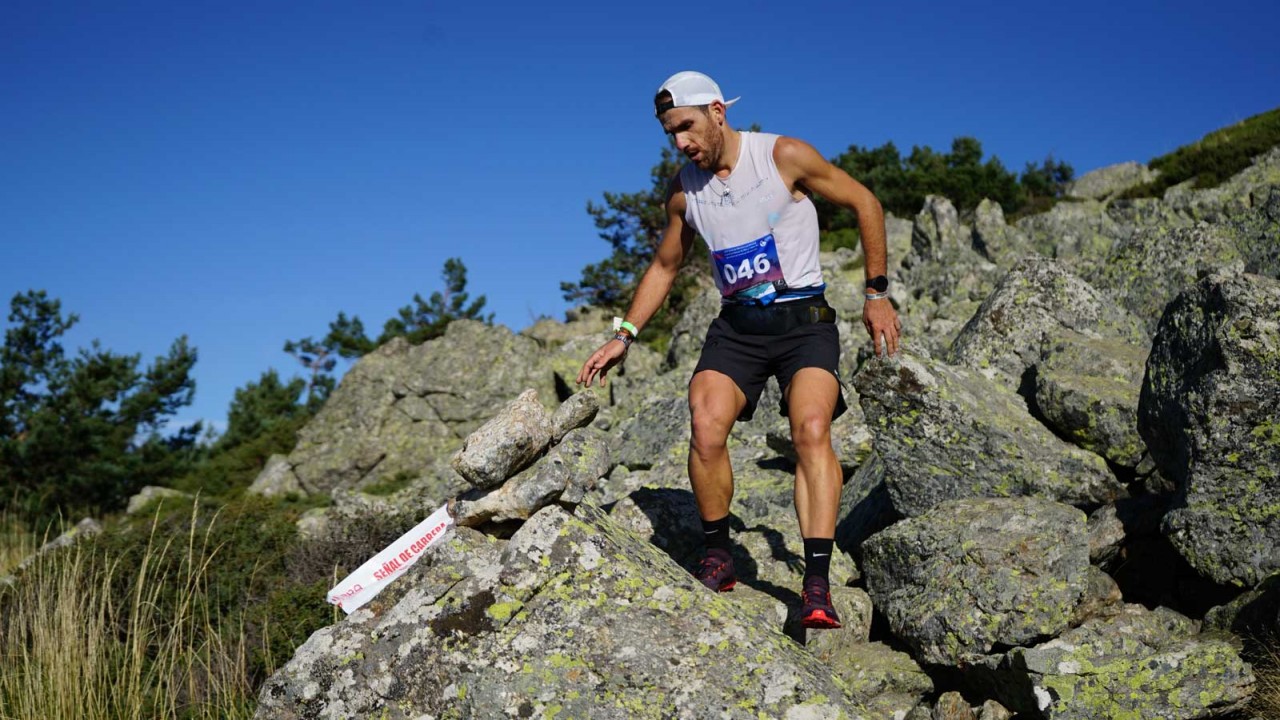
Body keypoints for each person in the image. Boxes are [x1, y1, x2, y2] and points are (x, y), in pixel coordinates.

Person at [577, 71, 901, 629]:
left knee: (811, 430)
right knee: (705, 423)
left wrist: (876, 293)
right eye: (669, 133)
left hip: (805, 322)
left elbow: (865, 202)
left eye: (686, 127)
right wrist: (623, 333)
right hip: (738, 329)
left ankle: (816, 585)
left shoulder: (783, 155)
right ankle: (719, 555)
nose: (680, 142)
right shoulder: (684, 192)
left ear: (718, 112)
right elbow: (664, 266)